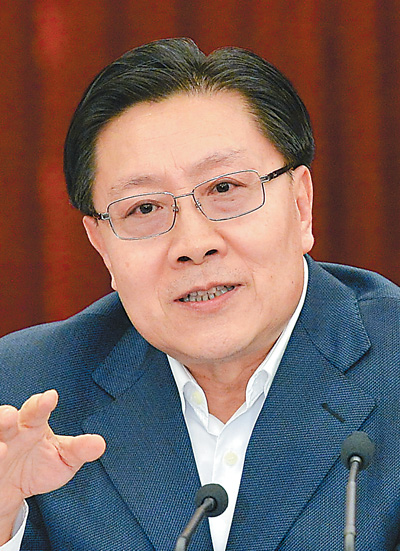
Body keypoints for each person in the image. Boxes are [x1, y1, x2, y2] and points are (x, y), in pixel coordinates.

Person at [0, 37, 399, 551]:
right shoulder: (23, 396)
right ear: (102, 246)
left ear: (301, 205)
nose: (193, 244)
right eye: (144, 209)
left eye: (225, 189)